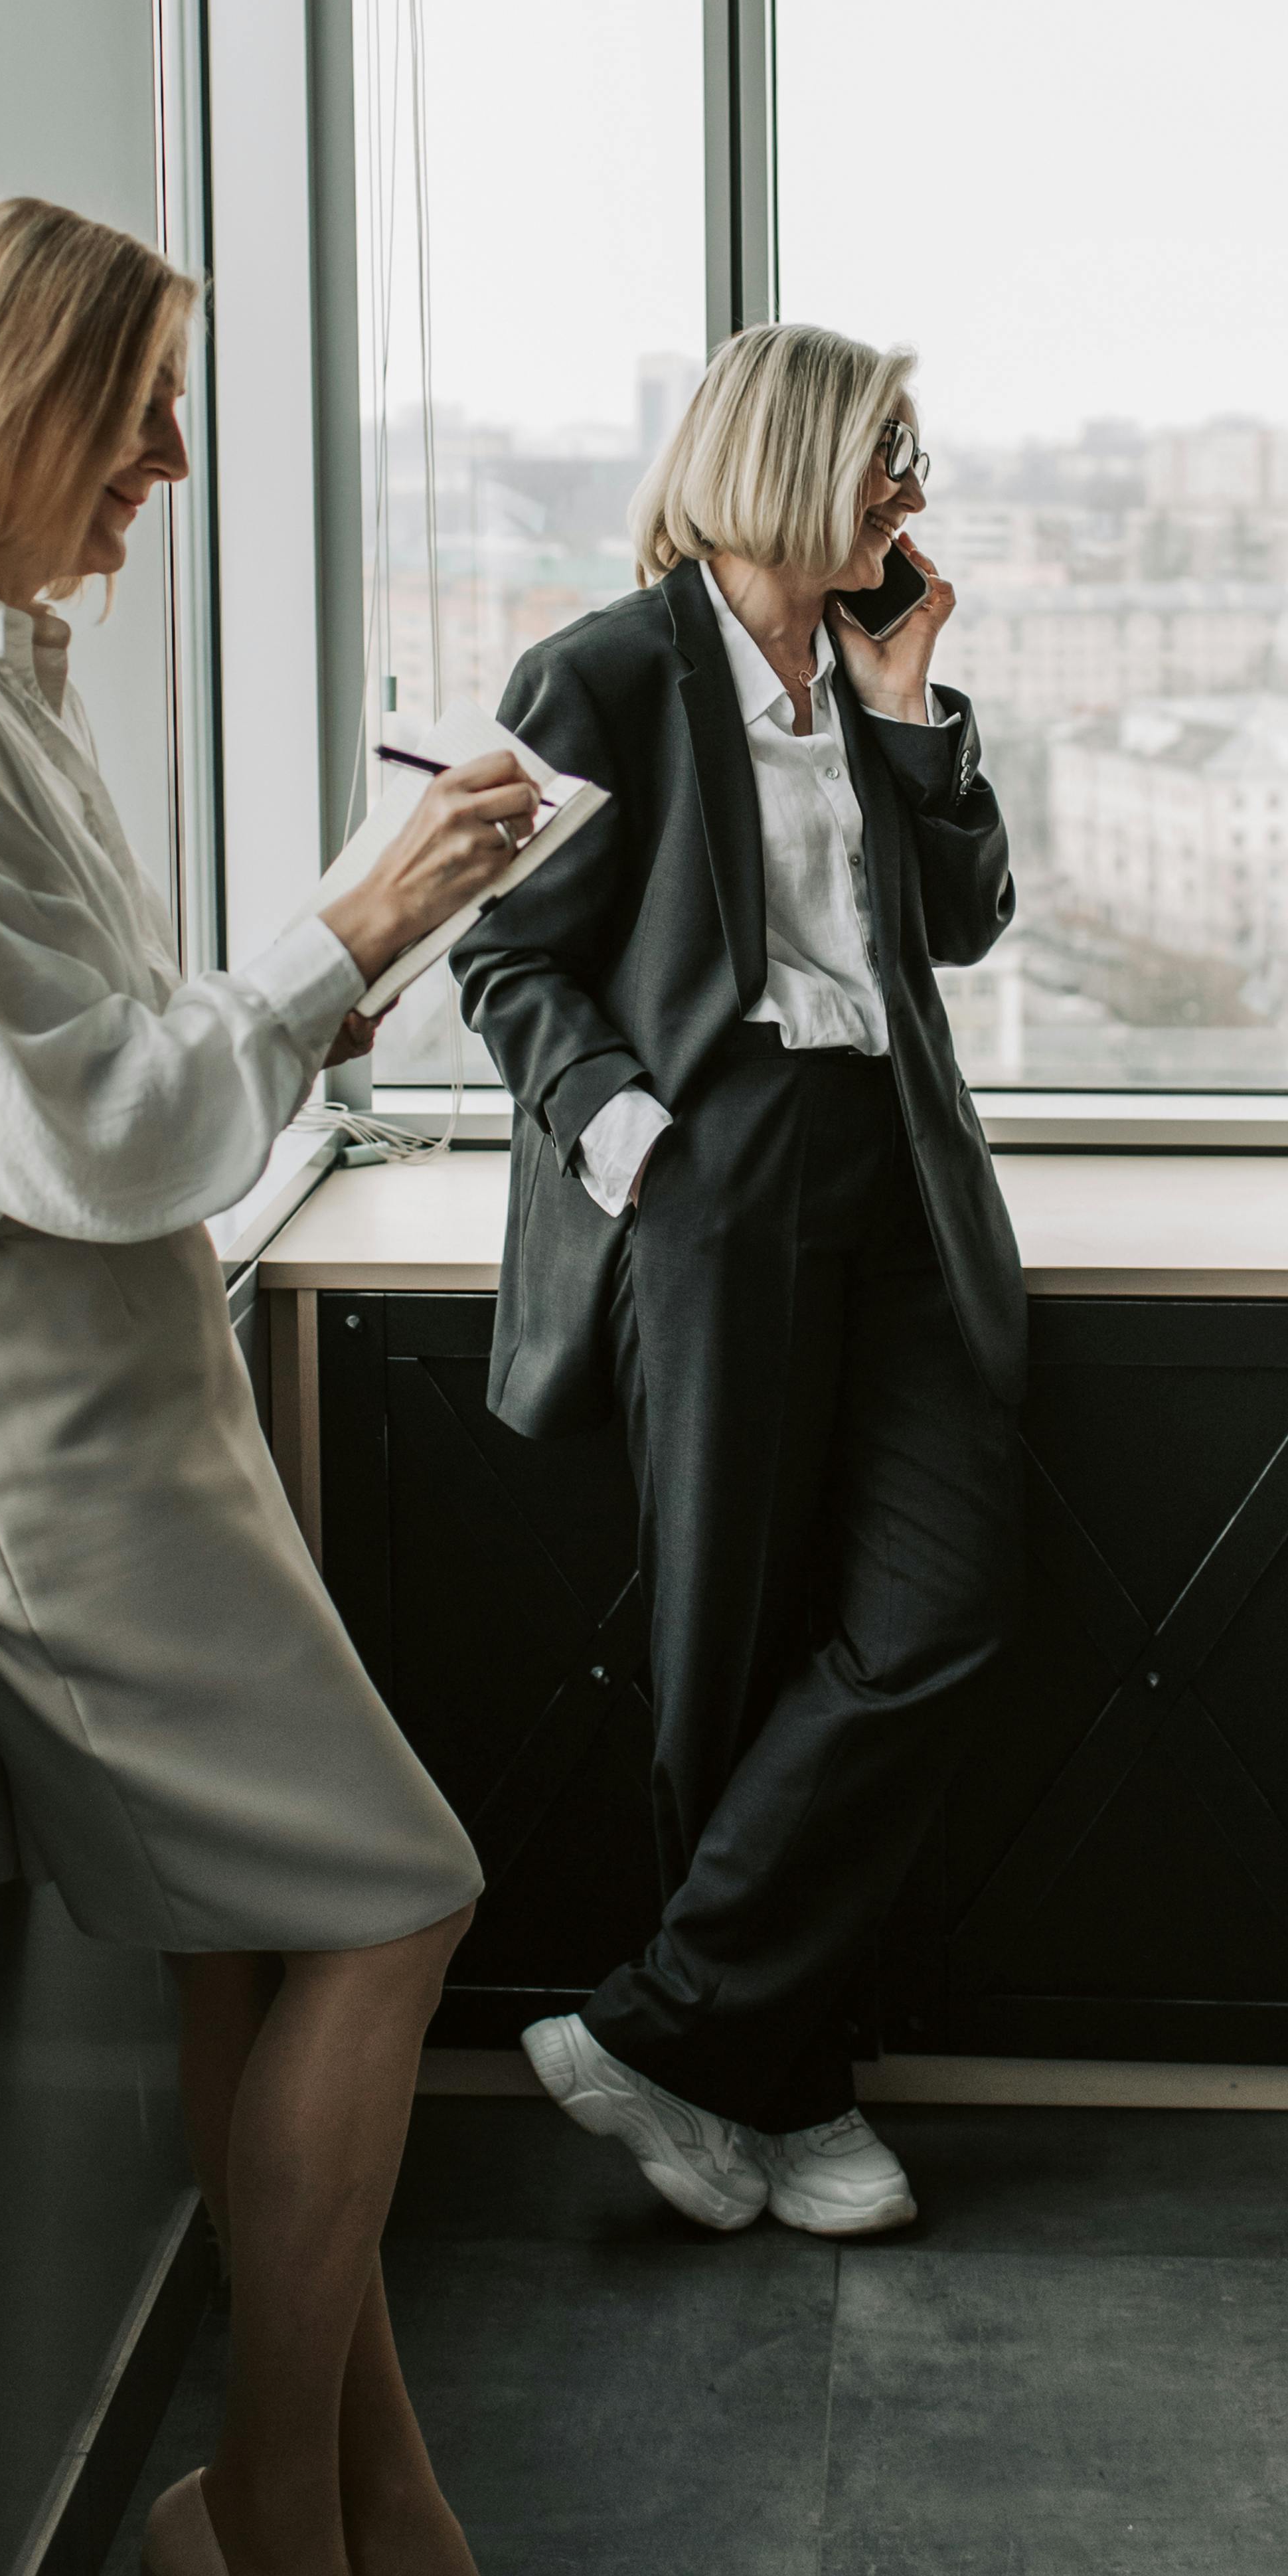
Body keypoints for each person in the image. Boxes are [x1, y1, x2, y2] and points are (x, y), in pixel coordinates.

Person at [0, 194, 602, 2576]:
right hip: (29, 1405)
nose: (166, 461)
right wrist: (362, 921)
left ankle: (392, 2560)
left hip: (110, 1373)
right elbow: (112, 1128)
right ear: (12, 402)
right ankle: (265, 2539)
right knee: (397, 1889)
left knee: (267, 1952)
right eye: (135, 411)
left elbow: (114, 1080)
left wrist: (352, 942)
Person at [457, 323, 1027, 2241]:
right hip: (715, 1182)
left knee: (940, 1609)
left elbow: (962, 924)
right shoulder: (607, 671)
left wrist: (911, 706)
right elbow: (503, 958)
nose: (913, 492)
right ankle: (780, 2094)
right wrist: (642, 1147)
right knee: (726, 1647)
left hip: (893, 1180)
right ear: (783, 459)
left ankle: (668, 2038)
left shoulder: (868, 677)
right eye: (887, 454)